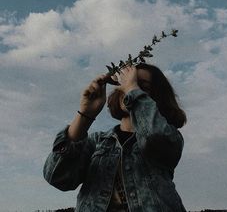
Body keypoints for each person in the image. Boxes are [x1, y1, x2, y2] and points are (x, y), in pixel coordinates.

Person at [43, 63, 187, 212]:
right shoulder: (97, 141)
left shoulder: (169, 136)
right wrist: (86, 114)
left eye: (142, 86)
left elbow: (155, 136)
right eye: (125, 83)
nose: (129, 90)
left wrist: (132, 88)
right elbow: (57, 176)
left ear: (156, 98)